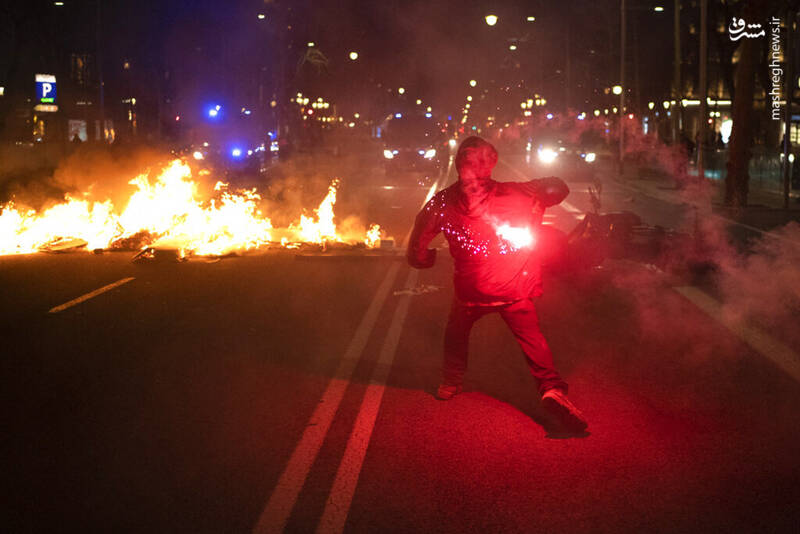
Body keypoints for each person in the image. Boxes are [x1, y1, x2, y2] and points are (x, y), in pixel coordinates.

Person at [407, 136, 588, 433]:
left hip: (470, 292)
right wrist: (538, 187)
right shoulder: (517, 193)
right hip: (513, 290)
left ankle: (450, 382)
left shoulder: (442, 202)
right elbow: (559, 188)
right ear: (490, 164)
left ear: (457, 165)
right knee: (532, 338)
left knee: (456, 330)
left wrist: (426, 259)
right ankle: (551, 387)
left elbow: (416, 249)